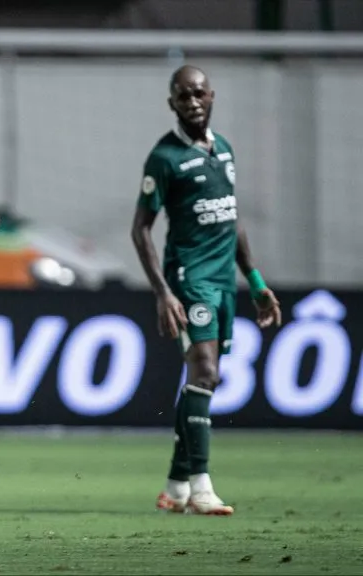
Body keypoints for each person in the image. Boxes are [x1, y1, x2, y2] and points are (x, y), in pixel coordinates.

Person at [130, 65, 281, 516]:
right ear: (172, 103)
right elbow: (140, 230)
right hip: (189, 280)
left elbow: (230, 220)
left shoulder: (226, 150)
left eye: (199, 93)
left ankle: (176, 487)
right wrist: (162, 292)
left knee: (202, 378)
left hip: (223, 284)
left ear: (211, 96)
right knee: (206, 373)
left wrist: (255, 282)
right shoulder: (165, 157)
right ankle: (201, 487)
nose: (192, 101)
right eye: (183, 96)